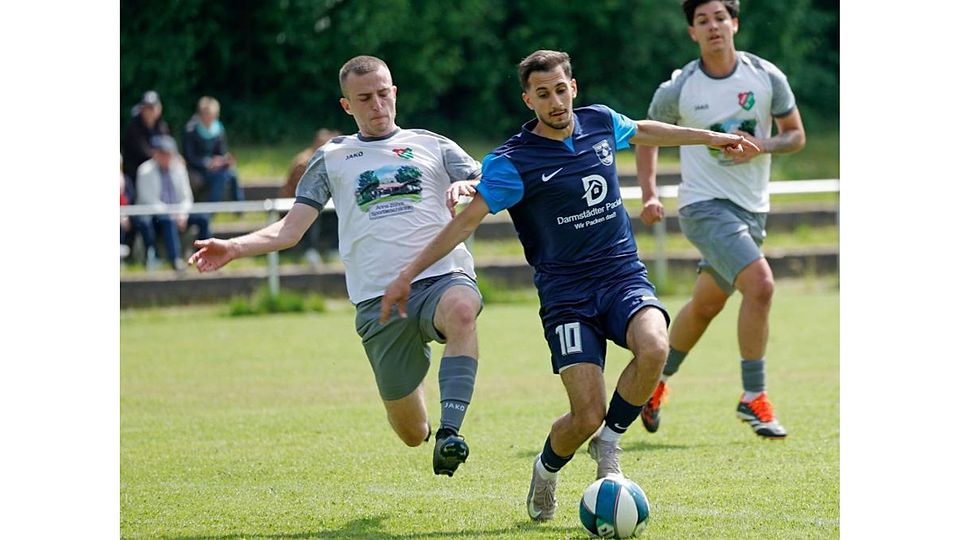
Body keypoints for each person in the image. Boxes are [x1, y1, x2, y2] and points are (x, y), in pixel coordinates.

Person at [380, 49, 757, 522]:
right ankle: (545, 469)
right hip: (567, 298)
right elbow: (463, 225)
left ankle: (611, 446)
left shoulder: (599, 122)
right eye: (543, 94)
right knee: (585, 414)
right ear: (528, 100)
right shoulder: (512, 162)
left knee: (655, 347)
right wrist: (406, 275)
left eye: (561, 89)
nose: (555, 101)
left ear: (573, 88)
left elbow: (646, 129)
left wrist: (715, 138)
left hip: (622, 275)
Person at [188, 56, 483, 478]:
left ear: (395, 92)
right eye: (365, 98)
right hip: (378, 300)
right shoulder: (332, 157)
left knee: (461, 310)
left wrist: (469, 186)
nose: (377, 105)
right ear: (347, 106)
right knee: (413, 431)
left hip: (442, 276)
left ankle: (451, 432)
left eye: (384, 94)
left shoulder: (434, 144)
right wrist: (233, 247)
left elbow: (490, 182)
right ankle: (426, 417)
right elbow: (290, 231)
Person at [634, 0, 806, 440]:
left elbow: (795, 135)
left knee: (707, 305)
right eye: (702, 21)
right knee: (761, 285)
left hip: (752, 210)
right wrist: (651, 193)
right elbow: (645, 136)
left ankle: (652, 383)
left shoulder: (766, 76)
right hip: (704, 207)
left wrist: (761, 145)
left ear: (735, 24)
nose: (713, 27)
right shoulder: (679, 88)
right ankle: (754, 396)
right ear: (693, 32)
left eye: (719, 18)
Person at [136, 135, 211, 271]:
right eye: (163, 153)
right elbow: (149, 201)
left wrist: (182, 214)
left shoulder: (179, 168)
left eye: (169, 153)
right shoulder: (144, 171)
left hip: (178, 214)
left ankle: (204, 256)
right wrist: (172, 214)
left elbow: (186, 197)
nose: (167, 157)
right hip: (155, 217)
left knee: (203, 218)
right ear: (155, 153)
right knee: (168, 220)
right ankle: (175, 260)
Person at [280, 128, 342, 266]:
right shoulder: (304, 162)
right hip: (293, 207)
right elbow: (304, 193)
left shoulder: (332, 161)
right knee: (312, 210)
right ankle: (310, 250)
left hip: (323, 204)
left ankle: (334, 249)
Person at [122, 90, 171, 259]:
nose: (150, 111)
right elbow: (145, 154)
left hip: (156, 176)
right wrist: (162, 157)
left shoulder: (161, 126)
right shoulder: (133, 128)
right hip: (135, 177)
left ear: (159, 109)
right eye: (146, 108)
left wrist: (172, 158)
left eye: (153, 107)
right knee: (134, 212)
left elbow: (167, 150)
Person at [182, 96, 244, 203]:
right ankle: (210, 209)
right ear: (200, 114)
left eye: (211, 115)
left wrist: (223, 161)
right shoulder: (190, 130)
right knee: (220, 178)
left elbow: (221, 152)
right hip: (198, 168)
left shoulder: (219, 129)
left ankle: (239, 206)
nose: (209, 118)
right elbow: (189, 156)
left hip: (215, 167)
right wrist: (207, 163)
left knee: (232, 174)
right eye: (205, 114)